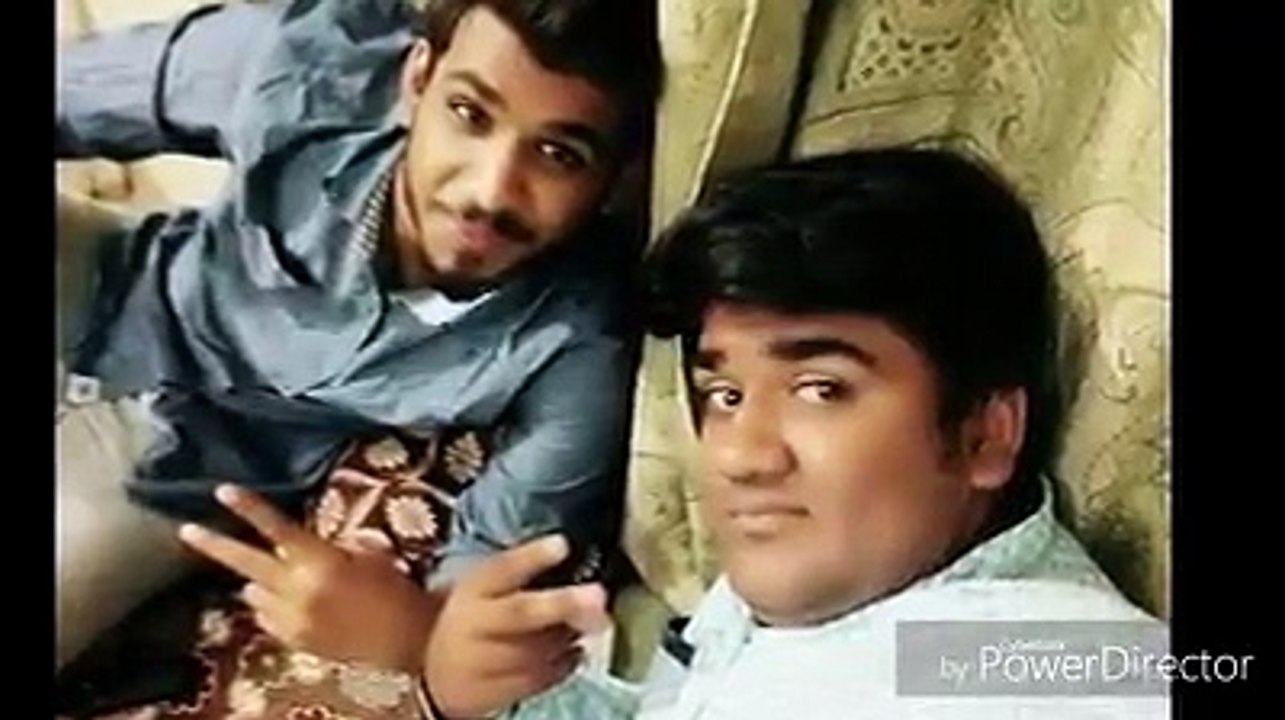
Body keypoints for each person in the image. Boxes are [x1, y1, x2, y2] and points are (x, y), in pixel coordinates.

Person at [422, 147, 1168, 719]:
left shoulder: (1050, 662)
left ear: (984, 436)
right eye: (724, 396)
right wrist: (498, 699)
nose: (741, 456)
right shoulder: (852, 581)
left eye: (820, 390)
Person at [55, 0, 662, 680]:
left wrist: (411, 636)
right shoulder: (312, 63)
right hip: (104, 279)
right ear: (419, 76)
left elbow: (480, 597)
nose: (489, 191)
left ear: (617, 176)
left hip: (182, 472)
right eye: (469, 114)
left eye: (558, 155)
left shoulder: (582, 341)